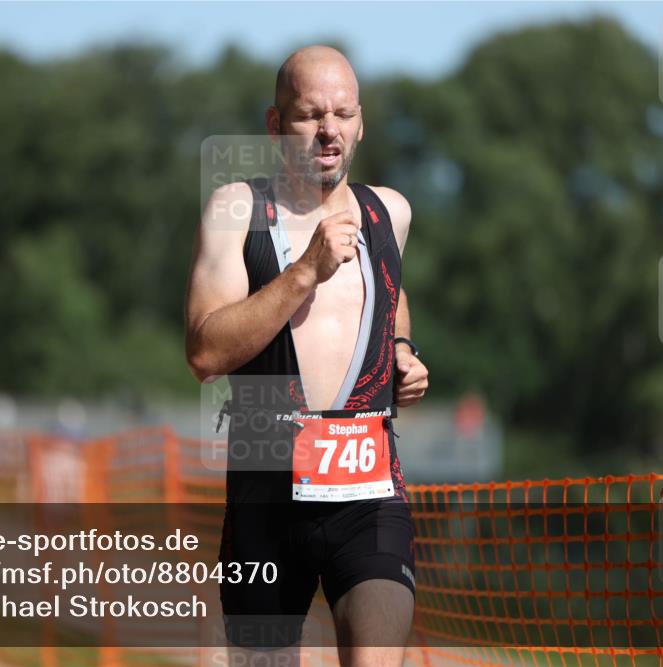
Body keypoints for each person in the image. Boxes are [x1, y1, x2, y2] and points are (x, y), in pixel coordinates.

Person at [185, 46, 430, 666]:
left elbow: (391, 296)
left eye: (343, 114)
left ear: (361, 122)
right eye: (309, 115)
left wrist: (401, 349)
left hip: (368, 491)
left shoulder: (389, 213)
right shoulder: (237, 210)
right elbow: (205, 351)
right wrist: (305, 272)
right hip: (265, 497)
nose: (329, 130)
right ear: (274, 124)